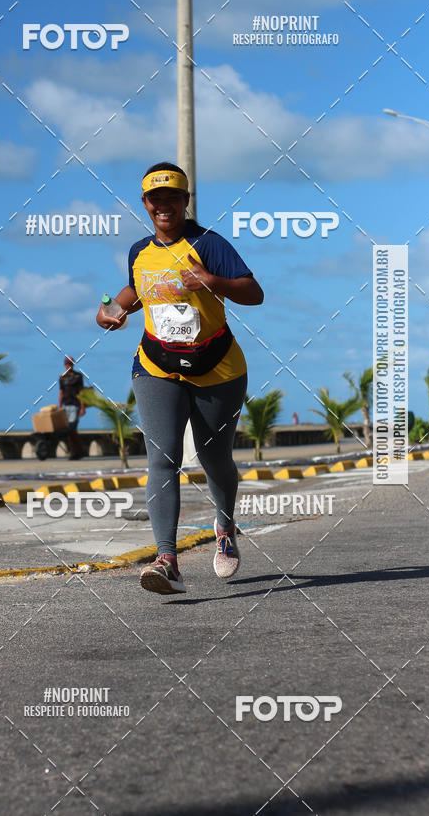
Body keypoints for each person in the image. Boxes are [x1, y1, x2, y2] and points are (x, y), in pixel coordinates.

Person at [96, 162, 264, 595]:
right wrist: (111, 310)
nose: (163, 205)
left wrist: (210, 280)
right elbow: (136, 288)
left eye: (172, 197)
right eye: (155, 199)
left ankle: (225, 527)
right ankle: (167, 560)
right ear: (146, 205)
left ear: (185, 201)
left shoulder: (209, 244)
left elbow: (253, 292)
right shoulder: (139, 250)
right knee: (162, 459)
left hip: (217, 369)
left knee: (215, 460)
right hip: (157, 366)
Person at [58, 356, 85, 460]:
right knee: (69, 431)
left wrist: (82, 408)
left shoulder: (78, 376)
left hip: (75, 405)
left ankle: (77, 452)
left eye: (71, 364)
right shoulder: (62, 377)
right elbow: (61, 393)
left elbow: (81, 392)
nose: (69, 366)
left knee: (71, 429)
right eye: (67, 364)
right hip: (66, 405)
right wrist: (59, 407)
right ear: (65, 365)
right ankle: (76, 451)